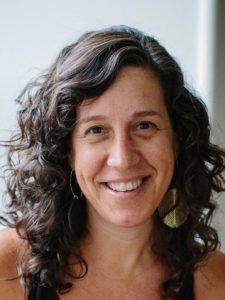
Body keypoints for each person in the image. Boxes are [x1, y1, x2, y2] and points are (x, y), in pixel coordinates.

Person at [0, 25, 225, 300]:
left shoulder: (217, 280)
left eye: (144, 125)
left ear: (177, 140)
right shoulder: (7, 267)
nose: (122, 158)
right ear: (67, 151)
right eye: (96, 130)